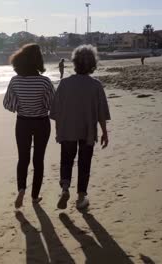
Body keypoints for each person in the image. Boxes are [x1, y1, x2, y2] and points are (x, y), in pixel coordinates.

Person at [50, 44, 111, 210]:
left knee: (66, 160)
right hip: (88, 131)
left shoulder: (64, 84)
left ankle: (64, 188)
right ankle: (81, 196)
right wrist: (105, 132)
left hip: (68, 129)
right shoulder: (96, 85)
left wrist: (58, 129)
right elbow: (101, 113)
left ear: (75, 62)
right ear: (92, 64)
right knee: (85, 163)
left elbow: (56, 110)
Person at [3, 43, 55, 208]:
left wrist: (21, 105)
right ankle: (34, 196)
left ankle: (21, 190)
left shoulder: (15, 81)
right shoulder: (45, 82)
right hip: (41, 123)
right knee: (38, 159)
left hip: (23, 123)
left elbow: (8, 104)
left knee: (23, 159)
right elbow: (51, 105)